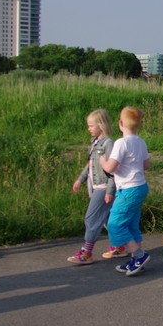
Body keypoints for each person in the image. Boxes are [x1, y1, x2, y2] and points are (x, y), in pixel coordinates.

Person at [100, 106, 151, 276]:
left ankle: (139, 255)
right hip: (140, 187)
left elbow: (110, 168)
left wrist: (102, 161)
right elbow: (146, 165)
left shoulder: (121, 143)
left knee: (115, 224)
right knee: (131, 223)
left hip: (128, 189)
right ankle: (136, 260)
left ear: (121, 123)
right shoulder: (141, 142)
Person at [67, 109, 116, 265]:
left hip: (103, 187)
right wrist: (80, 180)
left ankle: (87, 252)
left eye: (91, 125)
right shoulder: (94, 143)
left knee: (91, 218)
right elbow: (90, 165)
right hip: (94, 186)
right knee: (107, 219)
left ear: (101, 125)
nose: (89, 129)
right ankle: (119, 245)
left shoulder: (108, 143)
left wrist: (110, 190)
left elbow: (112, 170)